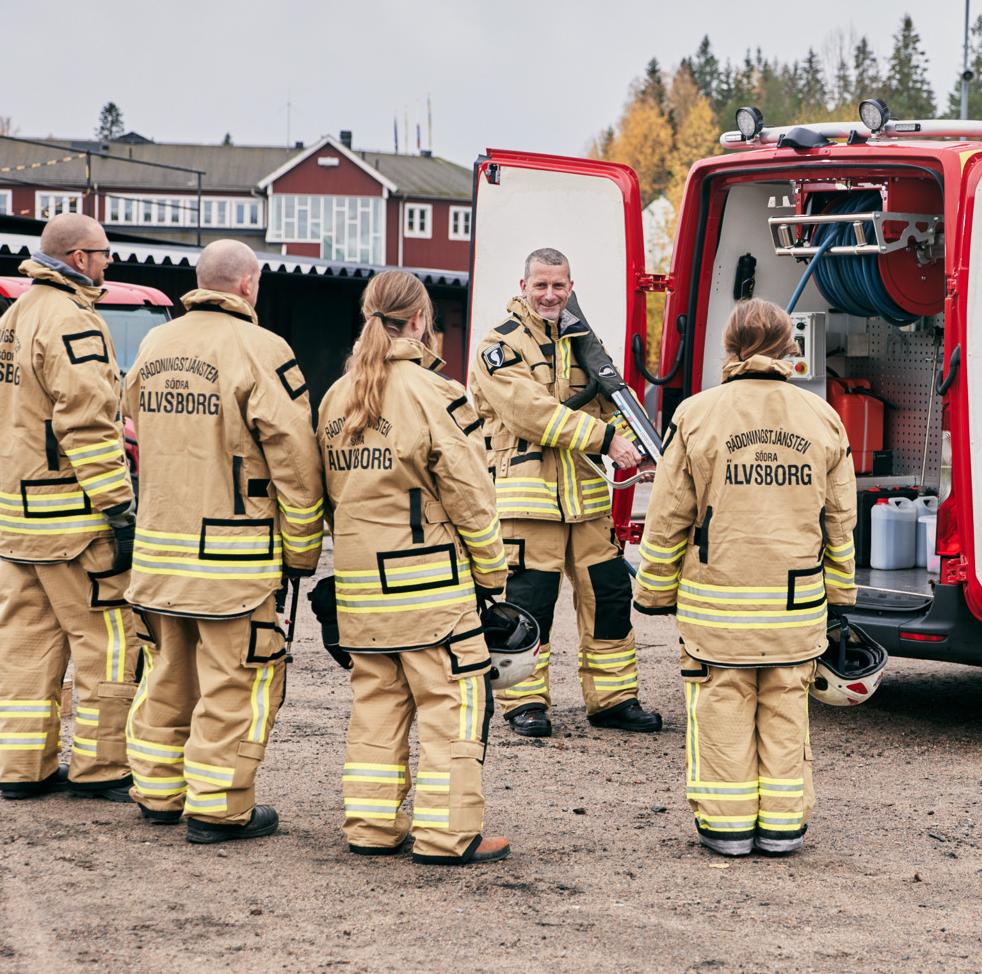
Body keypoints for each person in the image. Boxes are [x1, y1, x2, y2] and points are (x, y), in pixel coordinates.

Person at [633, 298, 857, 857]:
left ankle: (728, 830)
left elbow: (668, 515)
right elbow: (840, 519)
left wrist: (655, 588)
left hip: (718, 609)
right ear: (790, 349)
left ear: (729, 347)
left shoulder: (696, 414)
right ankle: (783, 828)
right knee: (785, 710)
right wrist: (841, 593)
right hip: (795, 605)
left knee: (722, 711)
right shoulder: (823, 417)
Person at [121, 240, 325, 843]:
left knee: (166, 675)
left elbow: (128, 410)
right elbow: (295, 457)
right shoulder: (264, 350)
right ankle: (217, 807)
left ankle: (157, 793)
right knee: (236, 679)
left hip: (158, 556)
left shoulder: (158, 342)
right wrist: (303, 549)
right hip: (233, 560)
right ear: (248, 284)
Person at [316, 270, 512, 865]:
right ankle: (448, 836)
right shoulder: (437, 394)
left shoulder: (335, 396)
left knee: (377, 706)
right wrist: (493, 574)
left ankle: (371, 827)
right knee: (453, 704)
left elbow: (325, 497)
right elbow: (469, 494)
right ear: (421, 321)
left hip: (358, 588)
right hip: (430, 591)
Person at [468, 248, 660, 737]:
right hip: (527, 504)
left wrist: (640, 443)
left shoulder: (583, 341)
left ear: (570, 288)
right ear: (523, 286)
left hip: (587, 503)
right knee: (530, 607)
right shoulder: (500, 346)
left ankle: (613, 700)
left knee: (611, 600)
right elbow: (531, 414)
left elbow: (613, 402)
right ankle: (524, 701)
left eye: (559, 286)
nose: (550, 295)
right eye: (540, 286)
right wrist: (605, 440)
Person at [0, 212, 141, 802]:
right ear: (78, 258)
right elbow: (87, 426)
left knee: (25, 647)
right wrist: (119, 508)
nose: (107, 264)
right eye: (103, 254)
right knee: (109, 640)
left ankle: (24, 770)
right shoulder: (74, 322)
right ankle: (101, 769)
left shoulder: (9, 320)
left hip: (16, 523)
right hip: (73, 524)